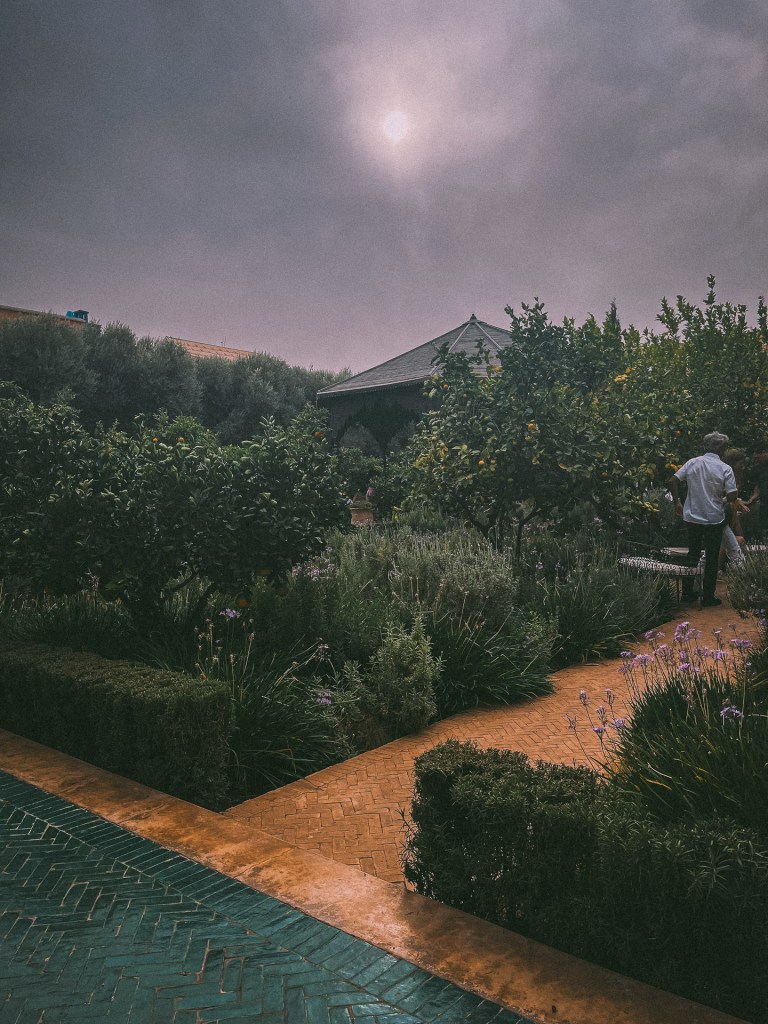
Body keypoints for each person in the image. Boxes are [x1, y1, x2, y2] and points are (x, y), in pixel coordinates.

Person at [668, 431, 737, 607]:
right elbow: (732, 495)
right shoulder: (725, 468)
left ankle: (688, 593)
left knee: (693, 553)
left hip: (692, 516)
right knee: (712, 556)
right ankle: (708, 596)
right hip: (714, 518)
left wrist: (677, 502)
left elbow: (673, 480)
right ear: (722, 448)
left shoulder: (693, 462)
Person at [718, 448, 749, 571]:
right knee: (735, 553)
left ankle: (697, 583)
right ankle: (744, 582)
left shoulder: (733, 476)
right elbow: (723, 497)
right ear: (733, 462)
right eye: (741, 463)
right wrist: (734, 501)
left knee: (711, 552)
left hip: (723, 518)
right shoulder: (726, 474)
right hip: (719, 517)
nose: (743, 467)